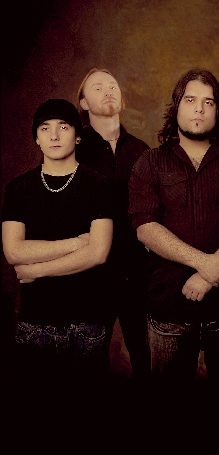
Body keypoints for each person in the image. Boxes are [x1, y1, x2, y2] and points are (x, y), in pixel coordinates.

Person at [128, 68, 219, 422]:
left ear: (218, 110)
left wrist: (208, 274)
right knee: (168, 412)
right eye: (191, 100)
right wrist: (204, 263)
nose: (199, 109)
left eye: (209, 102)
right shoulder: (149, 163)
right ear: (176, 106)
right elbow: (145, 227)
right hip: (169, 312)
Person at [1, 99, 114, 420]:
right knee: (35, 419)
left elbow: (99, 253)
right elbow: (14, 251)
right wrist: (75, 243)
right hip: (34, 324)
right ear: (36, 138)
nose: (54, 135)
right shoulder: (18, 188)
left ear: (77, 136)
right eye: (45, 128)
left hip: (87, 323)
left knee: (86, 416)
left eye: (63, 127)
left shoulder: (99, 186)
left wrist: (34, 270)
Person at [75, 68, 150, 390]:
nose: (108, 91)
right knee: (91, 358)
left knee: (145, 355)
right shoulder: (73, 150)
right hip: (90, 274)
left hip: (137, 272)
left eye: (112, 86)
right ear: (83, 102)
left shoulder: (142, 151)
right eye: (97, 87)